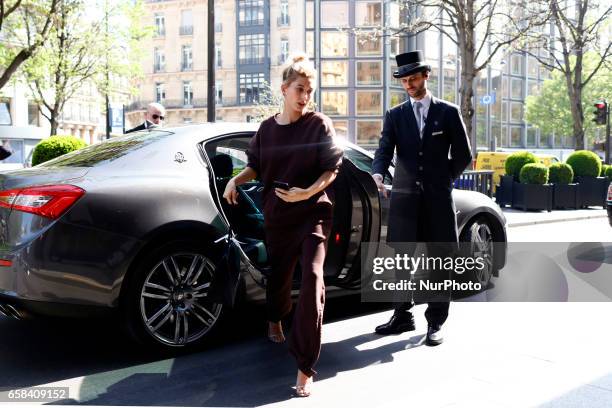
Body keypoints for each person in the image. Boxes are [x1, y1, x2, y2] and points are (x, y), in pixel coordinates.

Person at [222, 53, 343, 397]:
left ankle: (305, 364)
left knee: (314, 281)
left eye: (309, 90)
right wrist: (236, 180)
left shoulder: (319, 124)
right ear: (284, 89)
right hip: (278, 216)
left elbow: (332, 168)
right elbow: (256, 165)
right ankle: (275, 316)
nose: (305, 97)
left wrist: (308, 191)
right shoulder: (267, 129)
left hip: (314, 214)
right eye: (299, 89)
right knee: (280, 274)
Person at [371, 50, 472, 345]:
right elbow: (384, 150)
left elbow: (463, 155)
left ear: (426, 75)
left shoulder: (448, 112)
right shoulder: (394, 115)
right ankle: (402, 315)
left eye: (413, 78)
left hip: (438, 200)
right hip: (404, 200)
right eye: (404, 80)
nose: (409, 84)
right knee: (401, 260)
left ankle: (436, 323)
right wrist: (378, 173)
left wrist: (441, 180)